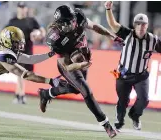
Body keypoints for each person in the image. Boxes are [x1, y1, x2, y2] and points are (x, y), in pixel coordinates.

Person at [38, 5, 124, 138]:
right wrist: (79, 64)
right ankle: (106, 125)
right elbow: (67, 66)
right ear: (60, 24)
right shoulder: (54, 38)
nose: (73, 23)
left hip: (83, 55)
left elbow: (95, 26)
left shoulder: (78, 16)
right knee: (86, 91)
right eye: (68, 22)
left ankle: (47, 93)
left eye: (72, 20)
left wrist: (112, 36)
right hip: (69, 64)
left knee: (76, 89)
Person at [104, 1, 161, 131]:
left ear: (147, 25)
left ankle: (135, 115)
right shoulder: (127, 34)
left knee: (144, 99)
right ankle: (119, 121)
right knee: (123, 100)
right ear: (134, 25)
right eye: (138, 23)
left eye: (144, 24)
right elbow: (113, 24)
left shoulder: (153, 39)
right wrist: (108, 9)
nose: (141, 26)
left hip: (141, 75)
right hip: (124, 74)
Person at [6, 2, 46, 104]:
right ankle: (21, 95)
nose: (22, 9)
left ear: (26, 9)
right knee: (21, 73)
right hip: (17, 52)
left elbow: (42, 31)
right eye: (20, 7)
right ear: (18, 9)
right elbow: (5, 34)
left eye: (24, 7)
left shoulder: (31, 20)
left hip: (28, 51)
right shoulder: (13, 21)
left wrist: (38, 35)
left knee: (24, 74)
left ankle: (17, 95)